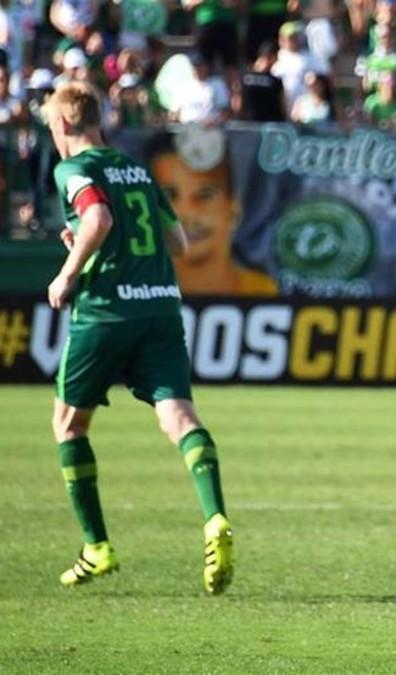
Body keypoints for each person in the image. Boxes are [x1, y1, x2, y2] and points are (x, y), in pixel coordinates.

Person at [41, 83, 233, 594]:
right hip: (161, 307)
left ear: (63, 123)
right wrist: (93, 243)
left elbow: (99, 217)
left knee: (68, 424)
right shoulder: (136, 169)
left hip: (107, 310)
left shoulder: (72, 168)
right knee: (180, 417)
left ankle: (97, 547)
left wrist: (68, 271)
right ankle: (215, 517)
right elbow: (178, 241)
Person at [145, 131, 277, 296]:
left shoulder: (268, 293)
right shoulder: (130, 297)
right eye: (169, 195)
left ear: (234, 209)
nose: (189, 213)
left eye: (205, 194)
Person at [238, 44, 286, 122]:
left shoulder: (244, 78)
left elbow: (237, 104)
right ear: (272, 58)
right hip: (270, 125)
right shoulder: (275, 81)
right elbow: (282, 105)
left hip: (248, 124)